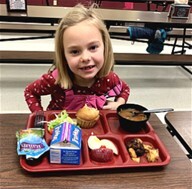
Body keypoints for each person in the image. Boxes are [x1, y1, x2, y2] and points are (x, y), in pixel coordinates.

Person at [24, 3, 130, 112]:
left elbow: (124, 89)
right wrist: (39, 116)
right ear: (63, 55)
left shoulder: (108, 79)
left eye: (93, 47)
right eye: (75, 51)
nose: (85, 58)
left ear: (105, 47)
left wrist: (119, 104)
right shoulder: (54, 80)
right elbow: (30, 92)